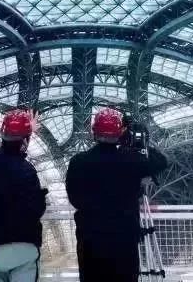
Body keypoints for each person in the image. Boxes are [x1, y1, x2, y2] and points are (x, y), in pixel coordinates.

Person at [66, 108, 168, 282]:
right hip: (124, 240)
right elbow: (161, 162)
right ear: (120, 133)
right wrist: (140, 140)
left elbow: (75, 199)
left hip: (91, 240)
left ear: (94, 132)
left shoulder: (78, 162)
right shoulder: (131, 160)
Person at [0, 109, 48, 282]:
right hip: (24, 247)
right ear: (24, 141)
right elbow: (37, 209)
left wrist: (25, 132)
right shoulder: (27, 170)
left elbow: (7, 153)